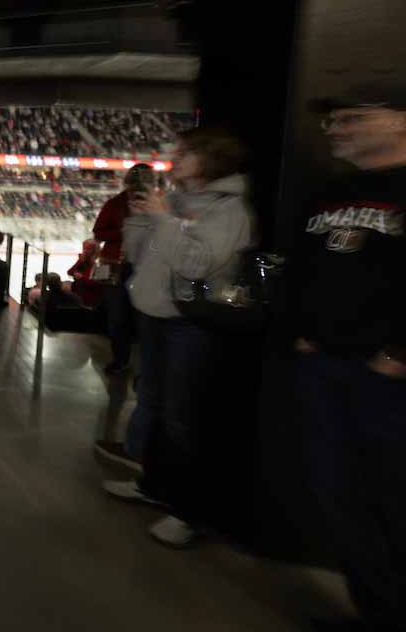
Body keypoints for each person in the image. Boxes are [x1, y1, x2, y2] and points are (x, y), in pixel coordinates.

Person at [103, 127, 253, 548]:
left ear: (212, 159)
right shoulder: (174, 200)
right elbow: (139, 256)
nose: (176, 158)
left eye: (187, 153)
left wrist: (163, 220)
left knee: (181, 417)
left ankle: (188, 512)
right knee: (151, 402)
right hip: (155, 316)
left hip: (189, 324)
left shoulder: (229, 210)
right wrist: (140, 217)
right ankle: (153, 484)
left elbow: (197, 265)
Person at [292, 81, 406, 630]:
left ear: (401, 121)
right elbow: (298, 265)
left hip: (388, 377)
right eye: (332, 121)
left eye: (352, 118)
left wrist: (398, 353)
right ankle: (379, 614)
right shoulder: (329, 192)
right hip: (325, 366)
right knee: (340, 497)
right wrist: (302, 330)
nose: (335, 129)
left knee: (392, 500)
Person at [92, 163, 154, 376]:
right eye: (136, 182)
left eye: (144, 182)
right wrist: (126, 231)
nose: (139, 186)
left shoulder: (157, 205)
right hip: (117, 267)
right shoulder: (114, 204)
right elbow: (98, 232)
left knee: (144, 317)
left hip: (145, 266)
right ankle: (121, 360)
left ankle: (143, 365)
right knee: (118, 316)